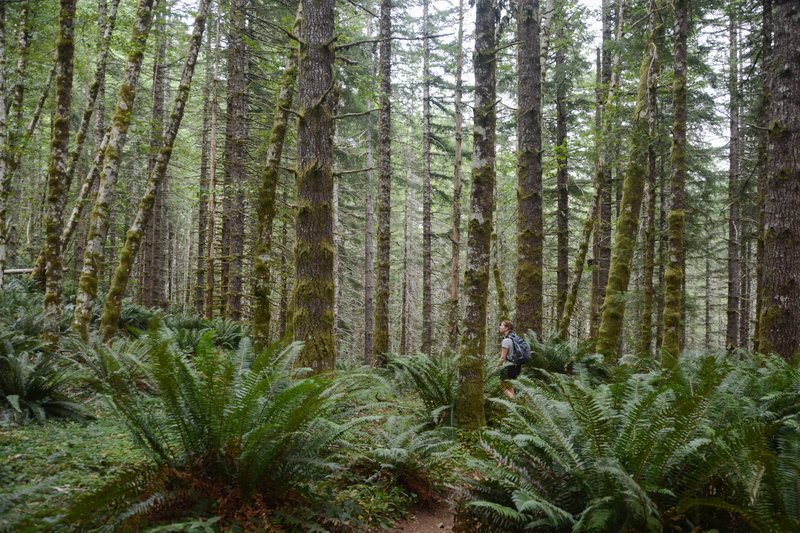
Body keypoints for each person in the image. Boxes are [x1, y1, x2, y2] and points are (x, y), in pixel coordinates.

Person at [497, 319, 520, 400]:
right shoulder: (515, 339)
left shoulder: (506, 341)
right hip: (516, 366)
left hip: (507, 367)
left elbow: (503, 357)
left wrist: (497, 367)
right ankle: (513, 407)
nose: (500, 327)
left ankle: (515, 401)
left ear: (507, 328)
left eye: (502, 325)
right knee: (510, 386)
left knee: (501, 385)